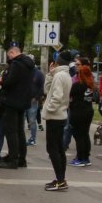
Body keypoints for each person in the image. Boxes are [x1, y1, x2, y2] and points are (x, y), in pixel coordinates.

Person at [0, 43, 36, 169]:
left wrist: (1, 81)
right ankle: (21, 158)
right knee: (20, 131)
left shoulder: (16, 64)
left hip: (12, 101)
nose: (9, 58)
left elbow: (9, 82)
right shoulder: (29, 65)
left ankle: (13, 159)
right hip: (23, 101)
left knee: (11, 131)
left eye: (9, 55)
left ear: (12, 52)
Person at [40, 48, 74, 192]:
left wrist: (49, 109)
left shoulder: (60, 76)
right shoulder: (62, 75)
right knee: (59, 148)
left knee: (53, 148)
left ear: (59, 61)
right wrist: (50, 73)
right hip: (60, 115)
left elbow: (57, 96)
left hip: (55, 116)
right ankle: (61, 178)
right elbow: (48, 89)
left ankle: (60, 180)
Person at [67, 59, 95, 167]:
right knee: (85, 134)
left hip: (78, 111)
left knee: (78, 136)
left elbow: (69, 96)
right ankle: (86, 157)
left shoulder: (77, 85)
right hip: (88, 111)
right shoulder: (90, 85)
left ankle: (80, 157)